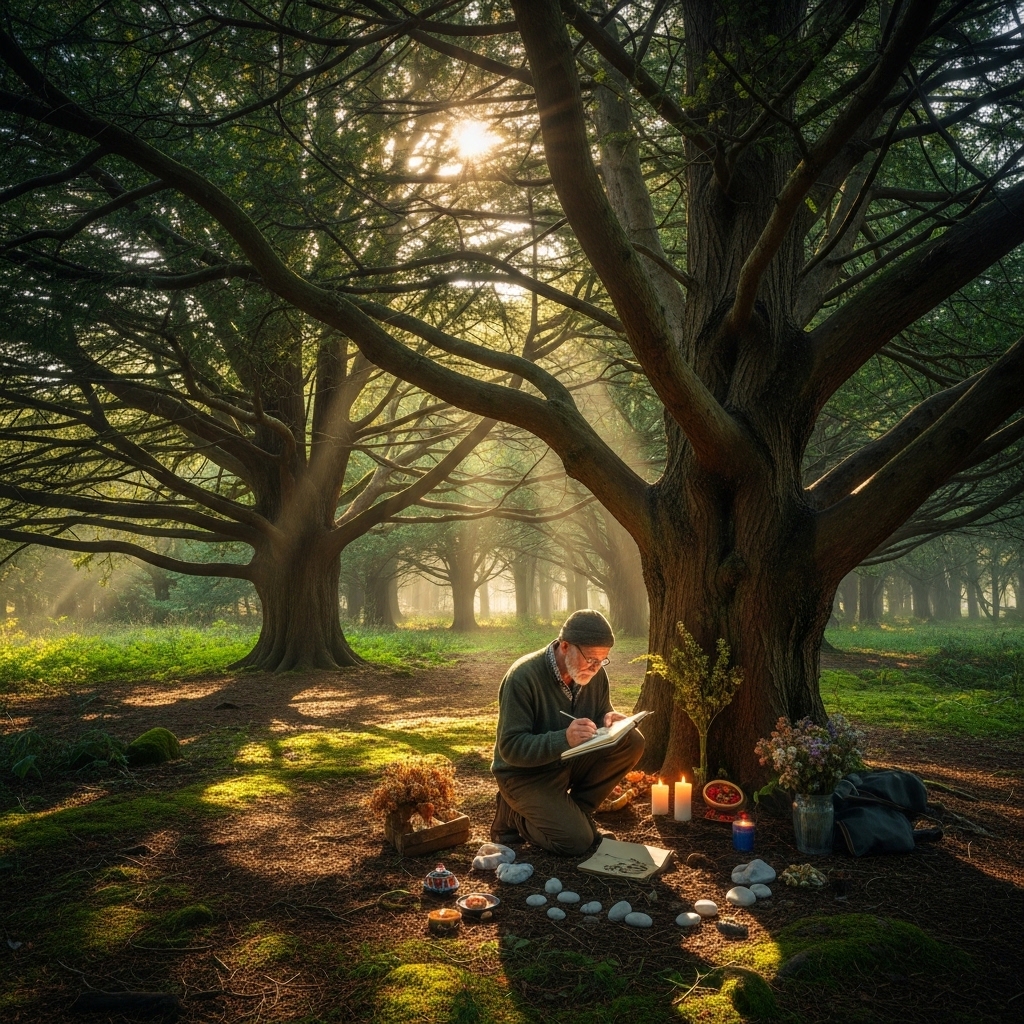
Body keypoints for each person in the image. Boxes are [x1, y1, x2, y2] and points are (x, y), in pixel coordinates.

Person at [489, 609, 645, 856]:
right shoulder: (523, 677)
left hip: (567, 763)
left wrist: (608, 719)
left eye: (602, 660)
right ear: (565, 646)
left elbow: (600, 711)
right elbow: (510, 747)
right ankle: (513, 815)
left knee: (631, 741)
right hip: (524, 775)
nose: (595, 668)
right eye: (591, 659)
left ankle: (578, 813)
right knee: (578, 843)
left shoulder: (595, 675)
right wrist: (564, 738)